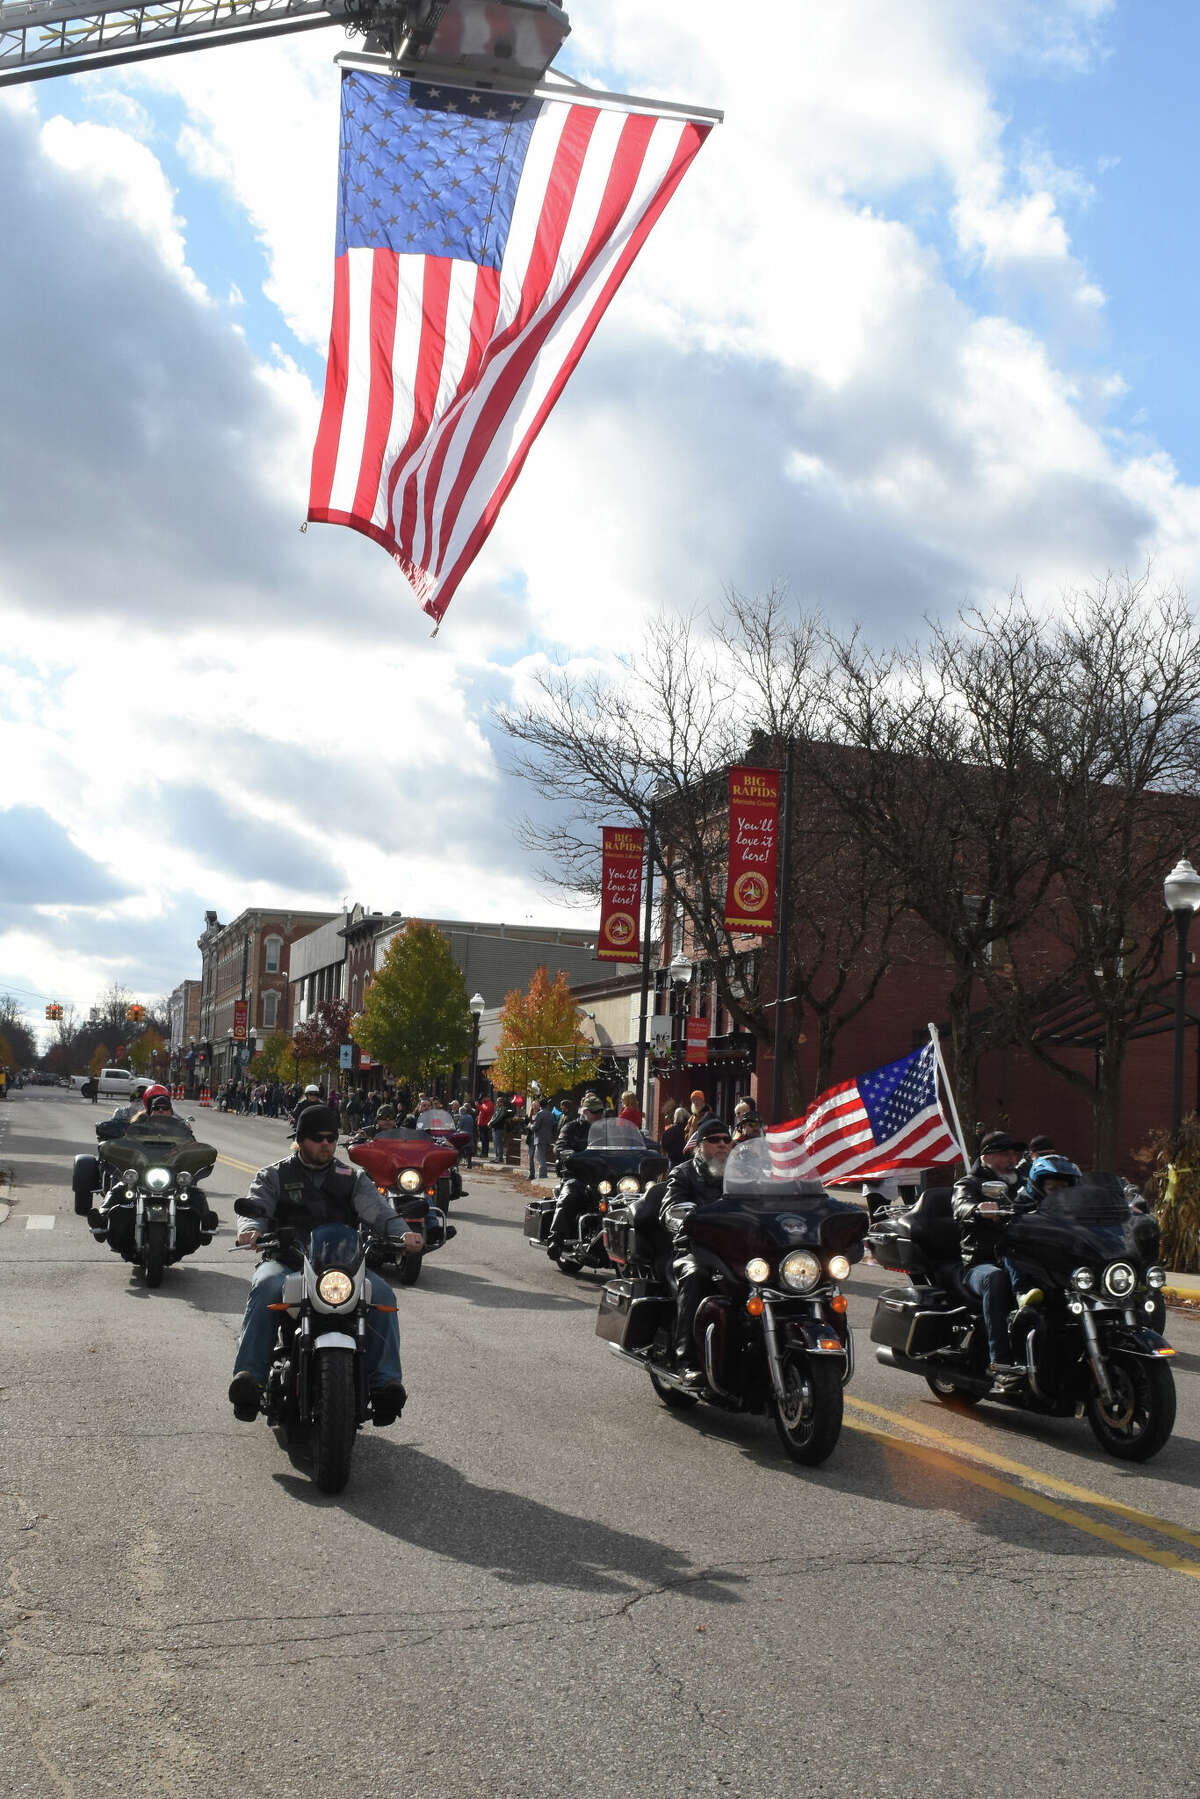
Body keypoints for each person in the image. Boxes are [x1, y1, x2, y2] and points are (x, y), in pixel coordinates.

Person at [227, 1105, 422, 1427]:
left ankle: (385, 1384)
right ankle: (250, 1378)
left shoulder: (352, 1179)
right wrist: (250, 1229)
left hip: (341, 1270)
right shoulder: (275, 1175)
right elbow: (257, 1207)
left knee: (384, 1296)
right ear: (301, 1140)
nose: (326, 1145)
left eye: (331, 1138)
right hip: (287, 1263)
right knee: (265, 1286)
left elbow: (379, 1213)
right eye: (318, 1139)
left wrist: (404, 1233)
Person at [659, 1118, 733, 1382]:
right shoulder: (683, 1173)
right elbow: (670, 1208)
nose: (722, 1145)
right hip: (694, 1249)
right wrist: (686, 1217)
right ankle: (685, 1359)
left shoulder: (743, 1174)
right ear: (699, 1146)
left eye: (726, 1139)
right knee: (697, 1276)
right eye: (714, 1140)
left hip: (738, 1252)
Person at [951, 1130, 1028, 1383]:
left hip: (1021, 1258)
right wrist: (976, 1209)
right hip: (979, 1263)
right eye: (1005, 1153)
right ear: (987, 1156)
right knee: (995, 1279)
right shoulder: (970, 1183)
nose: (1012, 1158)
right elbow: (960, 1206)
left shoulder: (1023, 1183)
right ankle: (1000, 1361)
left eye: (1014, 1153)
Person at [547, 1094, 606, 1252]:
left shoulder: (606, 1129)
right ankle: (556, 1239)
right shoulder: (572, 1127)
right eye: (595, 1111)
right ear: (585, 1112)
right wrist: (568, 1153)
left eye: (600, 1111)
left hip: (603, 1177)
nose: (599, 1114)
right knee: (570, 1195)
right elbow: (559, 1146)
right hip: (578, 1175)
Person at [527, 1097, 557, 1181]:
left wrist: (530, 1126)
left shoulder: (540, 1114)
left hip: (539, 1138)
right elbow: (553, 1126)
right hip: (548, 1138)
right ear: (547, 1105)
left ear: (540, 1105)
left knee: (540, 1158)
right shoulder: (551, 1114)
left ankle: (542, 1175)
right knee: (543, 1156)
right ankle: (542, 1174)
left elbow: (535, 1127)